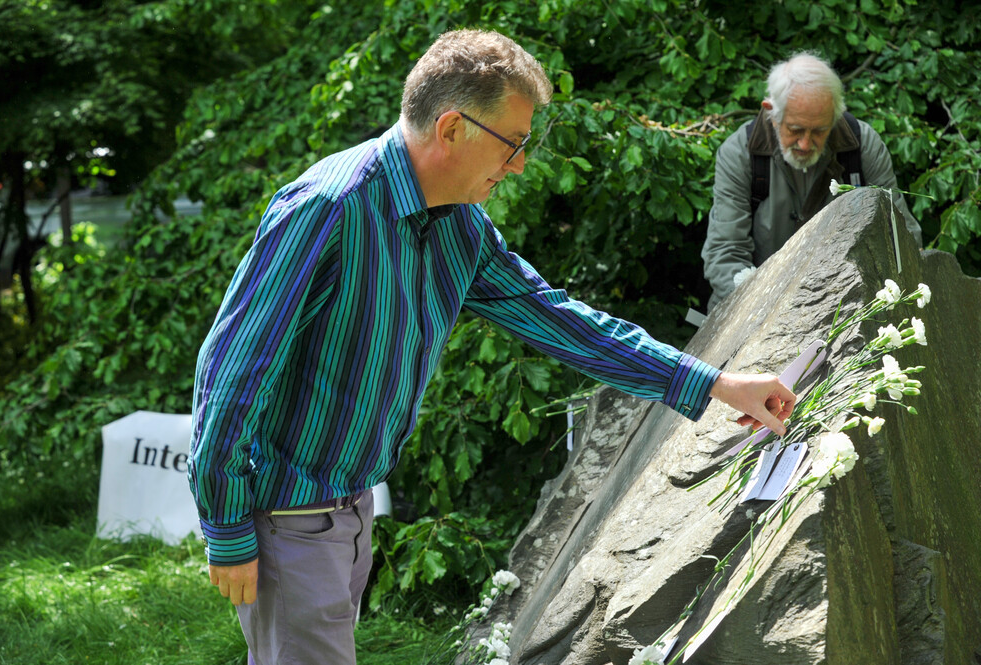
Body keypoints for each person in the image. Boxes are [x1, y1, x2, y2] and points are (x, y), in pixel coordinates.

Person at [188, 29, 796, 665]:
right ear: (451, 128)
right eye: (514, 143)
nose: (520, 165)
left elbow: (560, 318)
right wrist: (227, 524)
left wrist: (717, 384)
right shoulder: (329, 208)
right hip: (288, 517)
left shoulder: (458, 226)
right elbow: (231, 369)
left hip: (349, 507)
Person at [702, 52, 923, 311]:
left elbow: (901, 238)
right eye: (795, 130)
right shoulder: (740, 153)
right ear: (771, 113)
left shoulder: (862, 146)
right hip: (753, 308)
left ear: (836, 115)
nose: (806, 144)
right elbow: (726, 255)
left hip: (848, 307)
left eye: (819, 131)